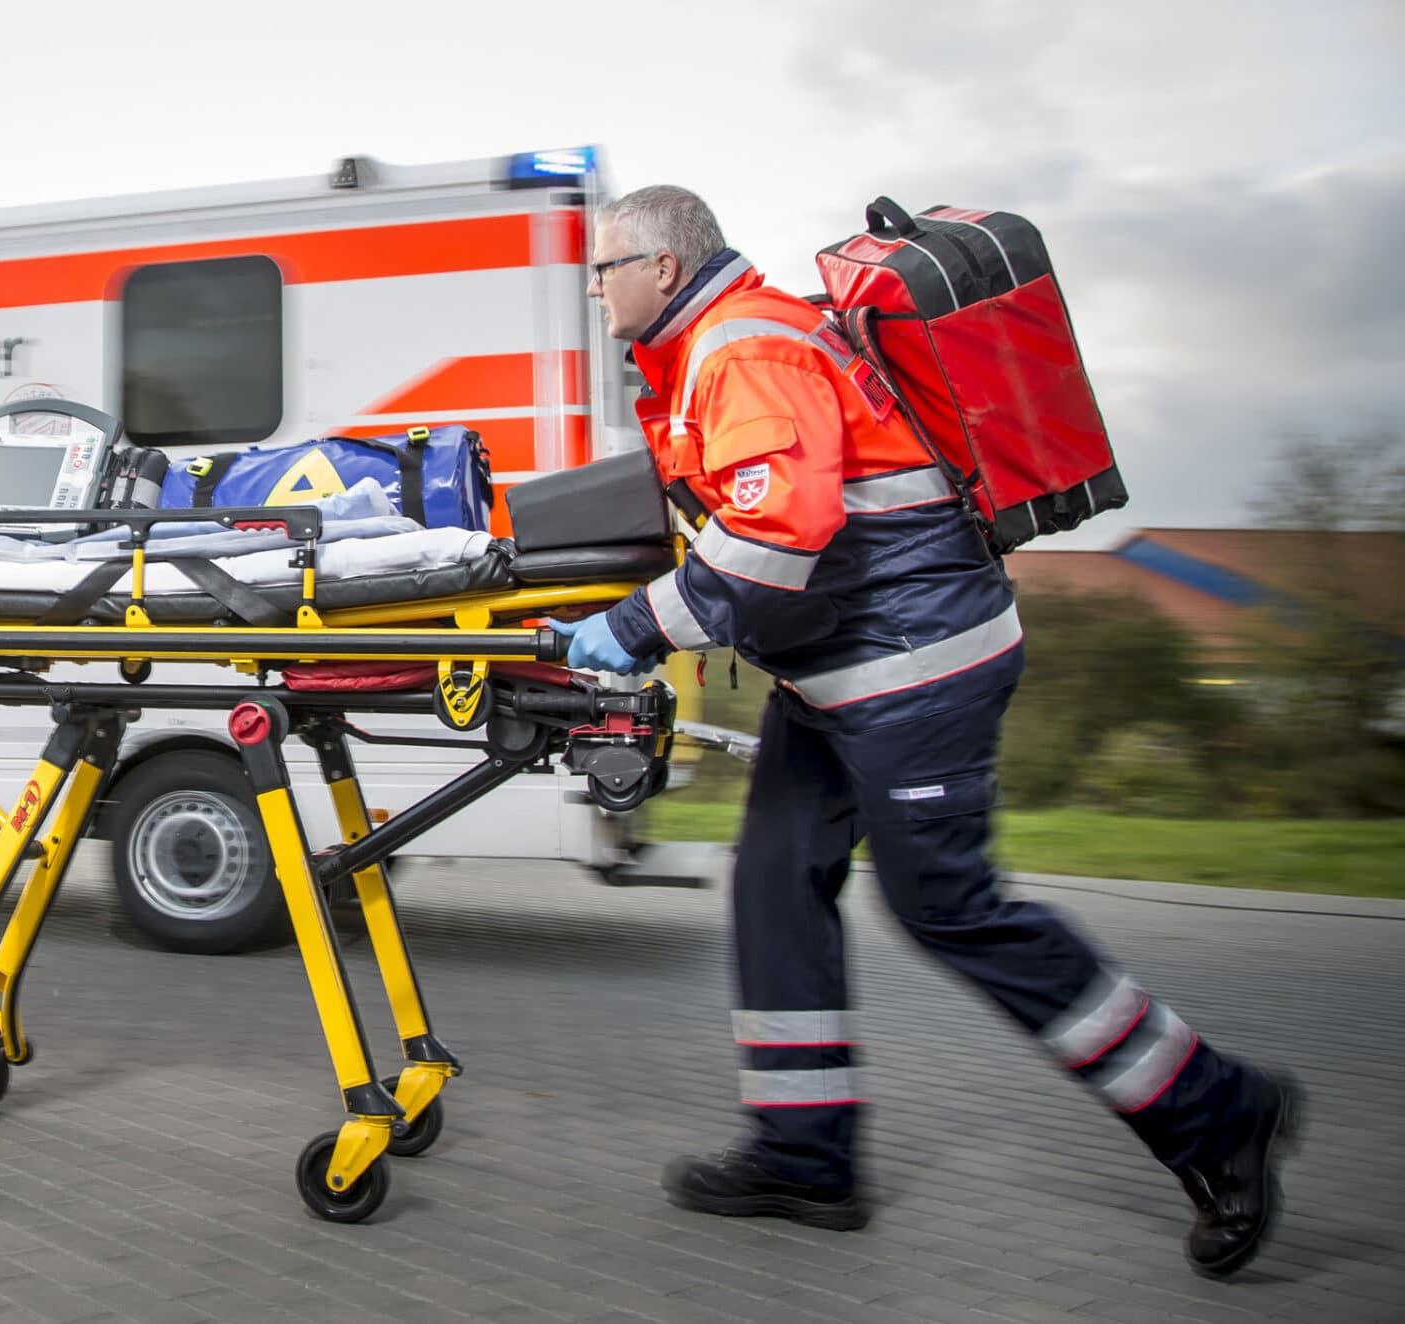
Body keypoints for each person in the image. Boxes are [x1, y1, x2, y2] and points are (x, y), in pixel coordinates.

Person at [551, 187, 1299, 1278]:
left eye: (603, 265)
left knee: (948, 909)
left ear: (662, 268)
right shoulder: (722, 342)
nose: (593, 285)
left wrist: (632, 627)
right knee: (770, 880)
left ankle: (1217, 1110)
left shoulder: (737, 348)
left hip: (913, 671)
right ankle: (802, 1154)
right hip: (839, 676)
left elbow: (775, 531)